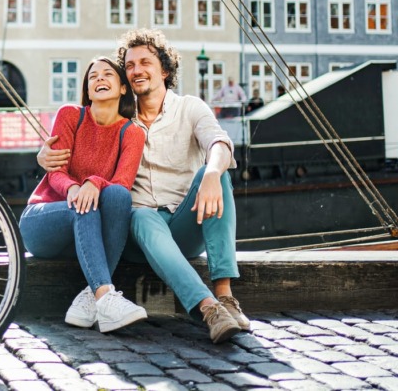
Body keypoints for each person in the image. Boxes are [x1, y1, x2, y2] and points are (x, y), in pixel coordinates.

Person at [39, 29, 248, 344]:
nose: (137, 70)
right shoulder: (120, 120)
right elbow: (83, 145)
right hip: (138, 232)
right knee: (142, 216)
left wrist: (212, 172)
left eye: (145, 62)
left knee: (218, 174)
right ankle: (208, 308)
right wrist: (43, 156)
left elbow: (219, 142)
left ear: (164, 70)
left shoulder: (190, 108)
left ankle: (225, 296)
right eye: (130, 65)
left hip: (185, 221)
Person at [20, 57, 148, 333]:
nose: (99, 78)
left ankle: (90, 300)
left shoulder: (133, 133)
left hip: (87, 234)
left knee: (118, 196)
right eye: (93, 76)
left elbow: (122, 183)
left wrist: (94, 183)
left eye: (107, 74)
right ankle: (105, 297)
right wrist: (75, 188)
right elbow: (55, 172)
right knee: (84, 204)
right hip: (44, 221)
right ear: (88, 90)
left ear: (123, 88)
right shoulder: (70, 115)